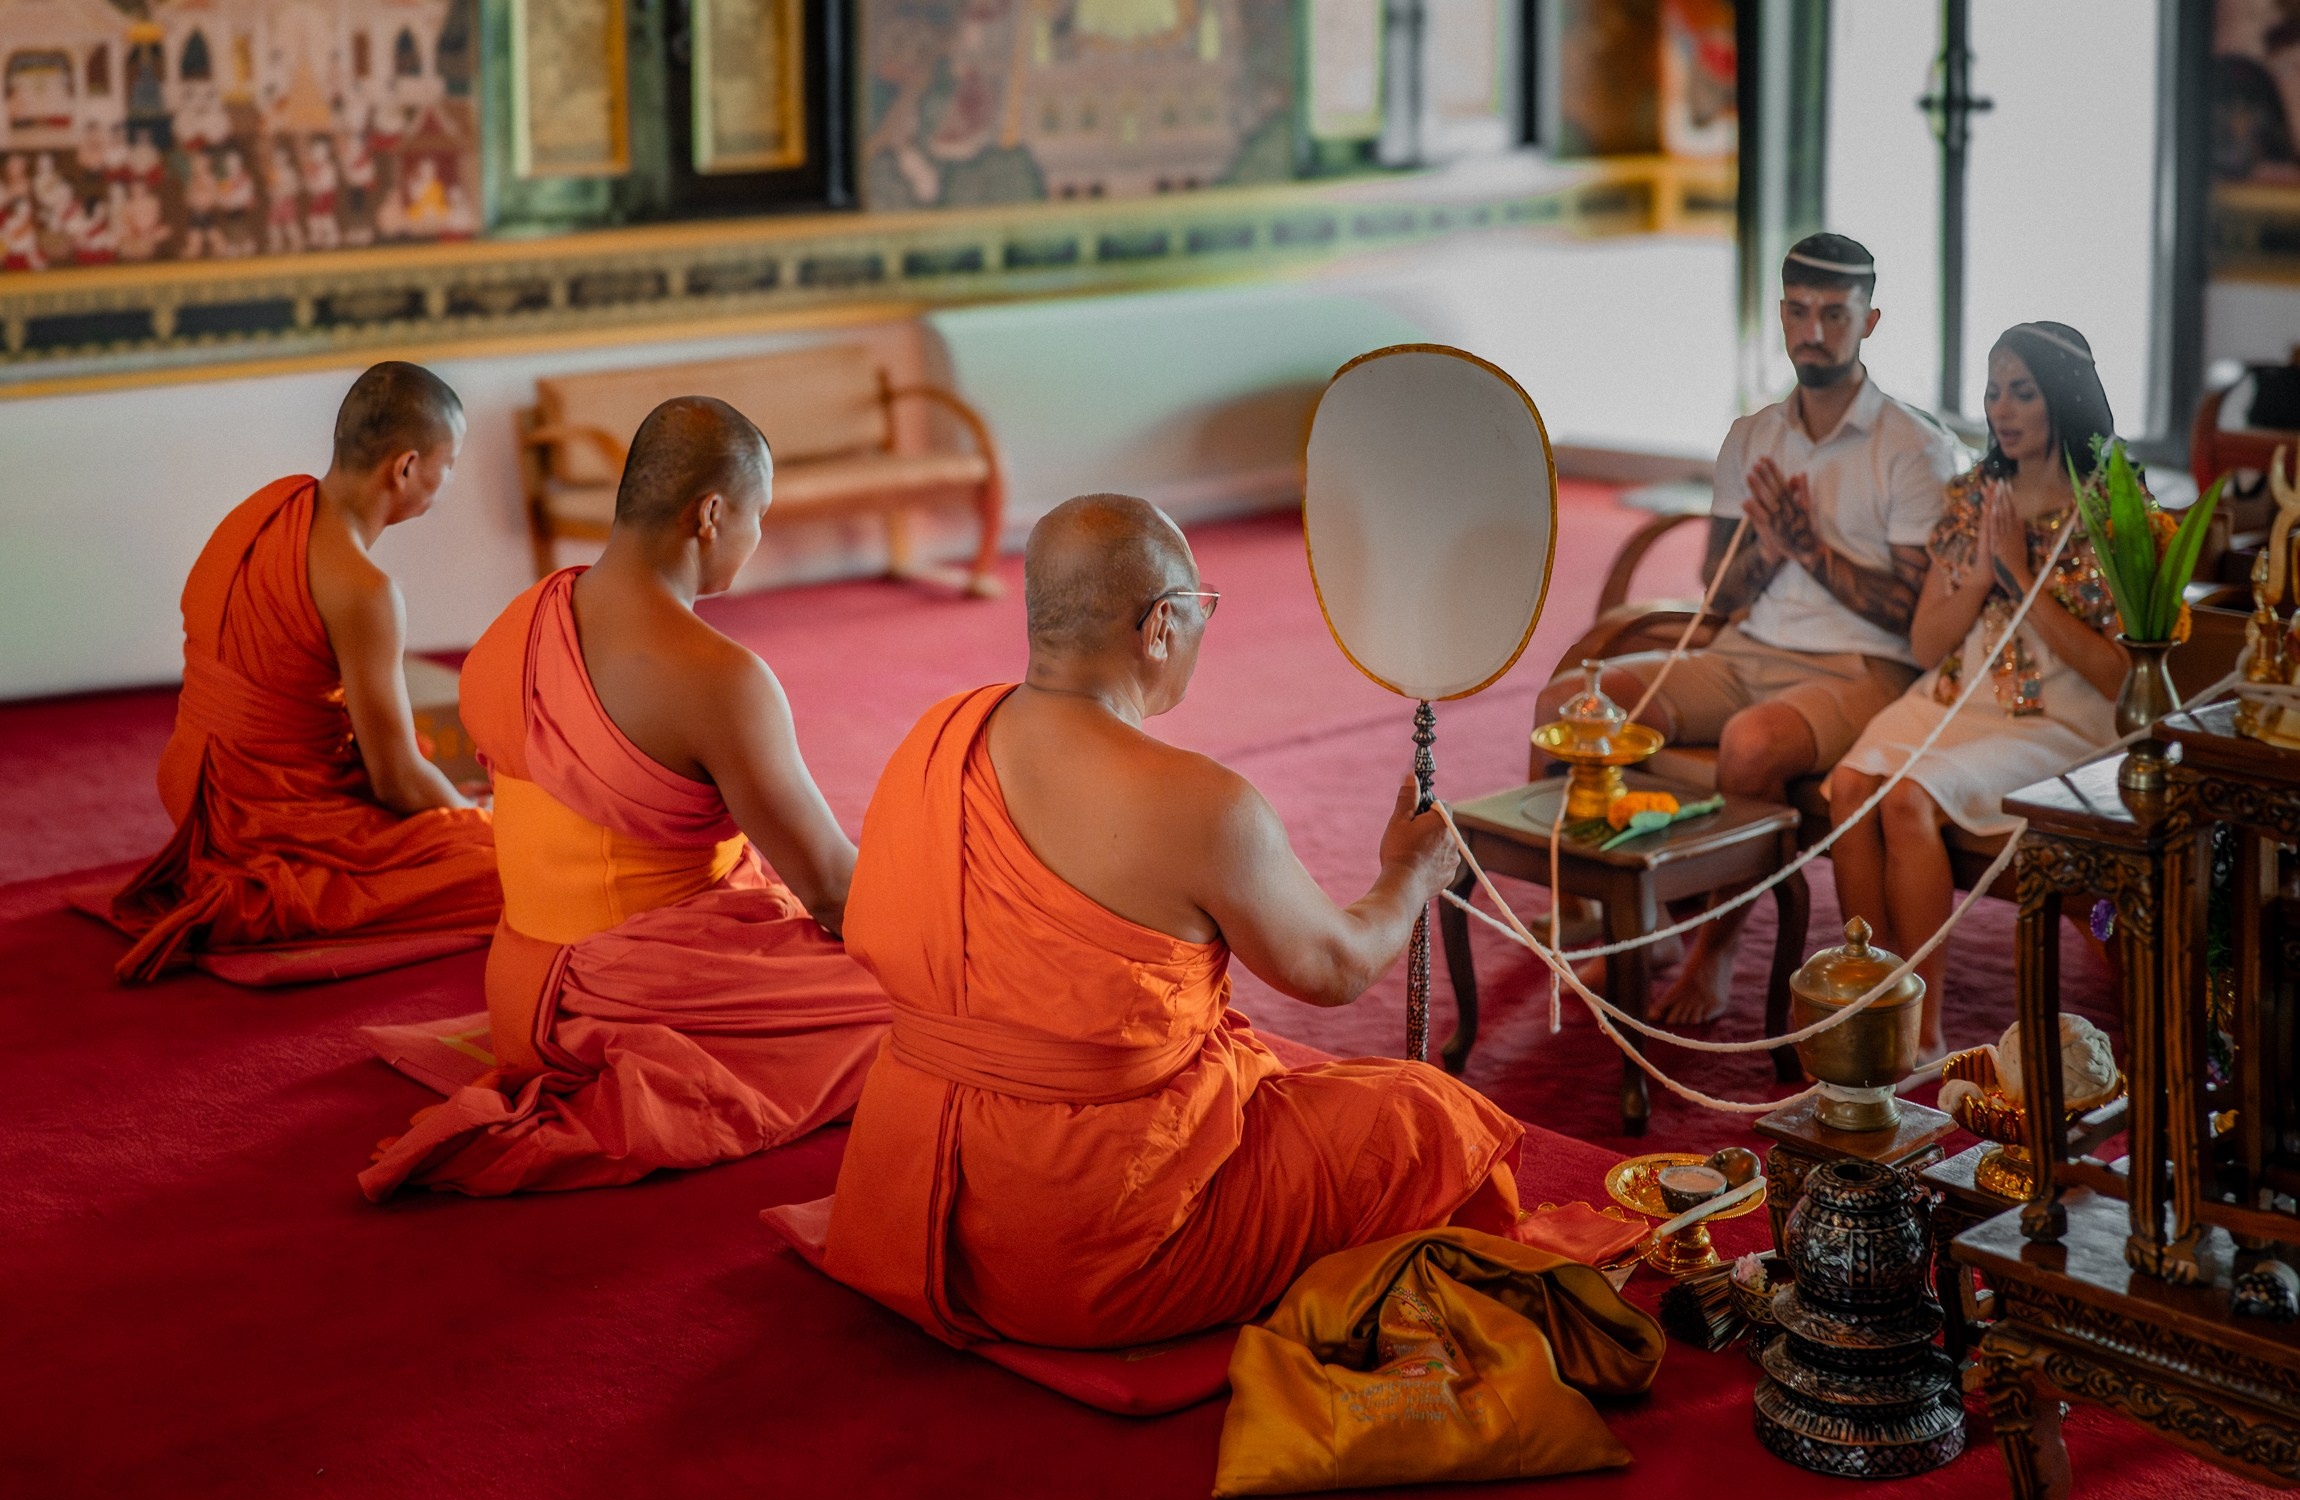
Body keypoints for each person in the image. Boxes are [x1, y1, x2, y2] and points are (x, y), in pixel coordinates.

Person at [820, 494, 1523, 1351]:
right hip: (1082, 1245)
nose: (1202, 629)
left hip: (906, 1197)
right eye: (1202, 608)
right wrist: (1409, 874)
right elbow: (1333, 970)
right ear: (1159, 626)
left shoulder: (934, 736)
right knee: (1428, 1116)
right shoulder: (1203, 803)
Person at [360, 398, 889, 1198]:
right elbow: (835, 892)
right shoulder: (721, 677)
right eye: (760, 516)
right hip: (626, 1000)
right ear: (710, 514)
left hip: (517, 986)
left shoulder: (514, 625)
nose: (756, 539)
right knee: (943, 1008)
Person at [1538, 233, 1960, 1024]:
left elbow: (1913, 613)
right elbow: (1717, 588)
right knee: (1574, 707)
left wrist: (1811, 548)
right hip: (1744, 650)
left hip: (1861, 667)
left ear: (1870, 321)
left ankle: (1716, 953)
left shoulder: (1914, 448)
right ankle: (1646, 924)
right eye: (1799, 311)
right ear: (1780, 315)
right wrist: (1765, 553)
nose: (1815, 330)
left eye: (1835, 314)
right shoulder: (1752, 436)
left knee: (1752, 745)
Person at [104, 362, 499, 983]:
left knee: (464, 818)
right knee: (514, 868)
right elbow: (395, 779)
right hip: (267, 819)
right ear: (406, 468)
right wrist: (479, 823)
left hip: (188, 785)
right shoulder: (364, 589)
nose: (446, 484)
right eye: (447, 467)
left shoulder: (258, 511)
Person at [1827, 324, 2125, 1059]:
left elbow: (2122, 675)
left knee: (1905, 797)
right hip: (1956, 697)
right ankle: (1869, 1001)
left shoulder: (2113, 508)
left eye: (2022, 391)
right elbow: (1928, 645)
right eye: (1994, 392)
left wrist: (2023, 576)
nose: (2002, 409)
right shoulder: (1974, 495)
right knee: (1848, 785)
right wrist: (1987, 570)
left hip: (2059, 721)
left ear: (2063, 396)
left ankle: (1921, 1030)